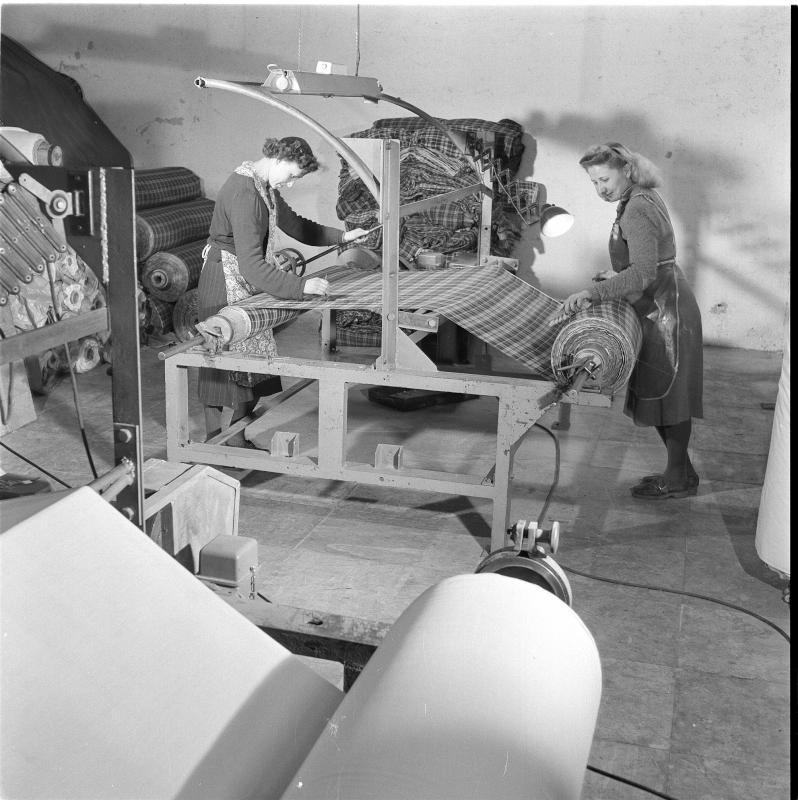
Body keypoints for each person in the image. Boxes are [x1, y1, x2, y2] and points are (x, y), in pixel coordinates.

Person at [197, 135, 368, 441]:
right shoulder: (245, 193)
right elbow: (251, 266)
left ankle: (237, 437)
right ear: (278, 159)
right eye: (291, 176)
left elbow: (298, 225)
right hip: (225, 280)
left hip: (245, 278)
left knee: (252, 373)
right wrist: (302, 286)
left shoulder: (264, 187)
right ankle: (214, 442)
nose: (289, 184)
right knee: (222, 369)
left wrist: (343, 237)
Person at [561, 142, 703, 499]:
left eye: (605, 179)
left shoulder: (636, 208)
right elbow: (652, 259)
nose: (601, 189)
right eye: (594, 183)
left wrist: (593, 294)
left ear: (626, 170)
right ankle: (681, 472)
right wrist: (615, 273)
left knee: (669, 397)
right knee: (665, 395)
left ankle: (676, 478)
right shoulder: (640, 197)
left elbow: (641, 273)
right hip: (662, 300)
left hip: (665, 311)